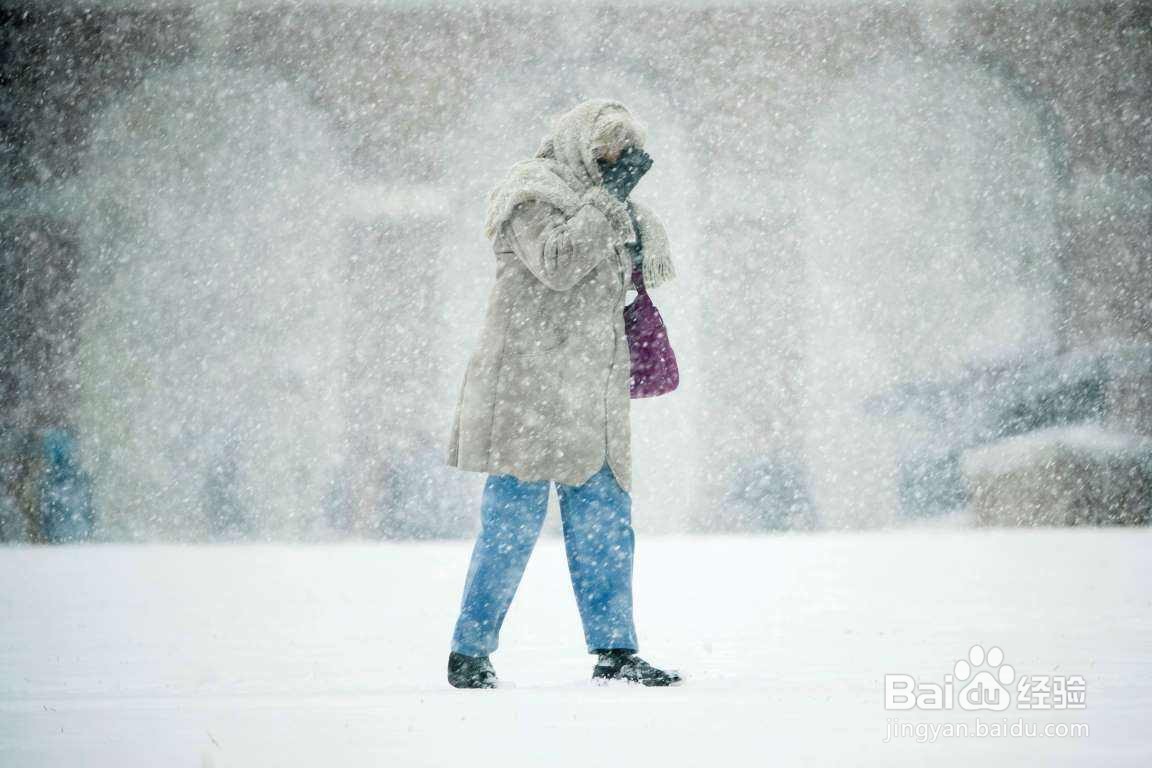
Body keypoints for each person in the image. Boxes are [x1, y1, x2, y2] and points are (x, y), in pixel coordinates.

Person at [444, 98, 681, 688]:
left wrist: (629, 226)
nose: (616, 162)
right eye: (606, 148)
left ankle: (616, 651)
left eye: (625, 151)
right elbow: (557, 261)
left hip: (592, 397)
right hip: (527, 393)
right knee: (511, 524)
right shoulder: (530, 195)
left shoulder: (613, 211)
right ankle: (468, 652)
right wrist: (608, 203)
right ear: (578, 144)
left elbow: (616, 287)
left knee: (606, 525)